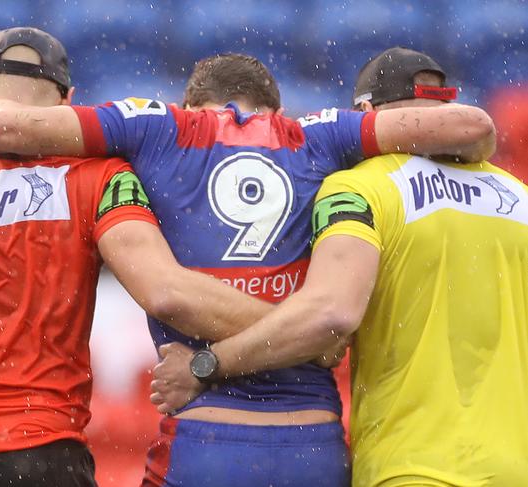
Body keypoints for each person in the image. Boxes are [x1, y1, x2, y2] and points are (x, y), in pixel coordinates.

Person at [0, 51, 495, 487]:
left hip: (204, 434)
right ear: (274, 110)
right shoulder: (321, 135)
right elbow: (469, 128)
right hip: (313, 444)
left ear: (191, 101)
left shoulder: (155, 126)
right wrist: (305, 336)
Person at [0, 28, 279, 487]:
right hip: (46, 457)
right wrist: (295, 329)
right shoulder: (100, 177)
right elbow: (166, 292)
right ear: (68, 101)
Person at [151, 48, 528, 486]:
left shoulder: (357, 189)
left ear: (365, 114)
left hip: (413, 466)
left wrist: (206, 364)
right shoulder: (518, 194)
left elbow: (330, 315)